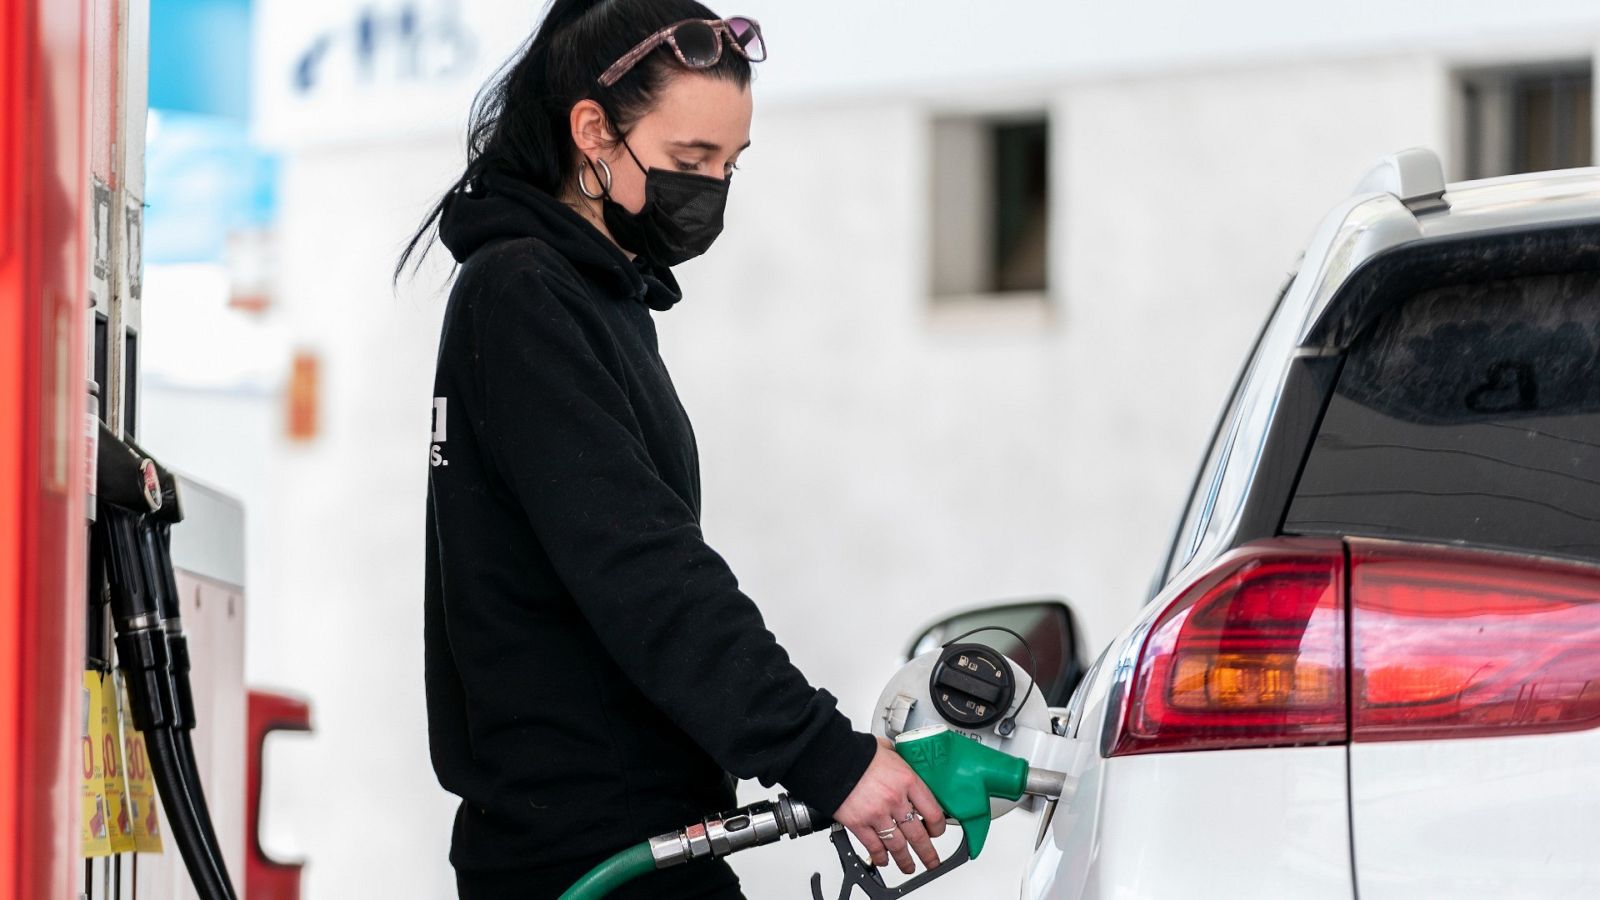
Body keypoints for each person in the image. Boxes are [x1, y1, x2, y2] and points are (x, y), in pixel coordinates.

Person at [398, 2, 948, 896]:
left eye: (730, 164)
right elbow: (642, 565)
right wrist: (825, 755)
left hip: (648, 831)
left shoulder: (598, 298)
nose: (714, 189)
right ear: (592, 130)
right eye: (692, 161)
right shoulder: (525, 295)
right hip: (592, 850)